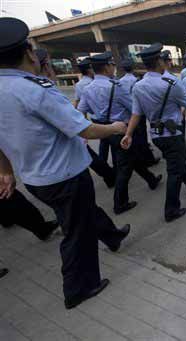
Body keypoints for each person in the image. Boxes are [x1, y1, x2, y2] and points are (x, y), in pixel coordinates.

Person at [0, 17, 130, 309]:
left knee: (81, 212)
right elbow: (85, 130)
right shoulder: (34, 89)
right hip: (63, 175)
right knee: (76, 234)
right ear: (29, 53)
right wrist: (116, 128)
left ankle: (111, 235)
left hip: (34, 178)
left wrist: (6, 171)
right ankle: (79, 288)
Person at [121, 43, 186, 223]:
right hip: (172, 134)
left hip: (156, 136)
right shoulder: (171, 83)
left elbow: (136, 113)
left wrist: (129, 133)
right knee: (174, 171)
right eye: (164, 59)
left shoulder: (138, 86)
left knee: (177, 161)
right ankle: (171, 210)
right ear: (158, 61)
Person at [78, 51, 162, 215]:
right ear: (107, 67)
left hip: (104, 131)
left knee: (132, 157)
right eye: (112, 65)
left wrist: (84, 133)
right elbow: (134, 109)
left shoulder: (88, 89)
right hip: (121, 129)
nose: (114, 69)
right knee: (124, 166)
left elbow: (80, 111)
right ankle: (120, 203)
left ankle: (151, 179)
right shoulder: (116, 87)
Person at [72, 58, 117, 188]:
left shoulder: (81, 84)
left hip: (95, 119)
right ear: (89, 69)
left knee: (104, 143)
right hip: (106, 120)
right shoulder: (89, 84)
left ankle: (107, 169)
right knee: (112, 144)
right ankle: (111, 171)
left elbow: (78, 104)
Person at [119, 58, 161, 168]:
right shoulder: (137, 81)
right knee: (142, 136)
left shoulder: (119, 82)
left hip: (126, 114)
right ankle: (148, 159)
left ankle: (141, 159)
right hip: (138, 112)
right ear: (133, 68)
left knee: (133, 137)